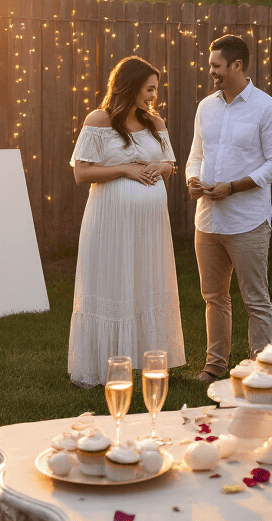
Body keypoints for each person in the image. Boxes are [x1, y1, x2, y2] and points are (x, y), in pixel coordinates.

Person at [67, 56, 185, 387]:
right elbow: (81, 172)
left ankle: (148, 362)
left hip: (149, 227)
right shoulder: (99, 119)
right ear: (130, 86)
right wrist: (125, 169)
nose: (153, 96)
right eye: (149, 89)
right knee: (112, 283)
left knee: (145, 285)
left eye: (155, 90)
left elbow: (169, 164)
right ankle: (103, 366)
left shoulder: (155, 123)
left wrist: (158, 168)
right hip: (109, 221)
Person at [186, 35, 272, 383]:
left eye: (216, 66)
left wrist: (232, 187)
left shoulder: (267, 108)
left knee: (255, 300)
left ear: (237, 66)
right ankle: (215, 368)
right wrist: (191, 180)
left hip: (247, 221)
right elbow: (195, 156)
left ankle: (259, 371)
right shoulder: (206, 107)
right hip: (208, 220)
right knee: (214, 297)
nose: (211, 72)